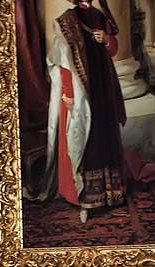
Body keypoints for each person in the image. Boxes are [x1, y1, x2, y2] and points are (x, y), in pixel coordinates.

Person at [41, 0, 128, 223]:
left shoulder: (100, 15)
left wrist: (107, 40)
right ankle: (86, 198)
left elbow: (113, 49)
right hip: (81, 93)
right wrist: (68, 94)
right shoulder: (66, 20)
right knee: (86, 140)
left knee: (104, 137)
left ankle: (110, 194)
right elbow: (63, 63)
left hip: (103, 89)